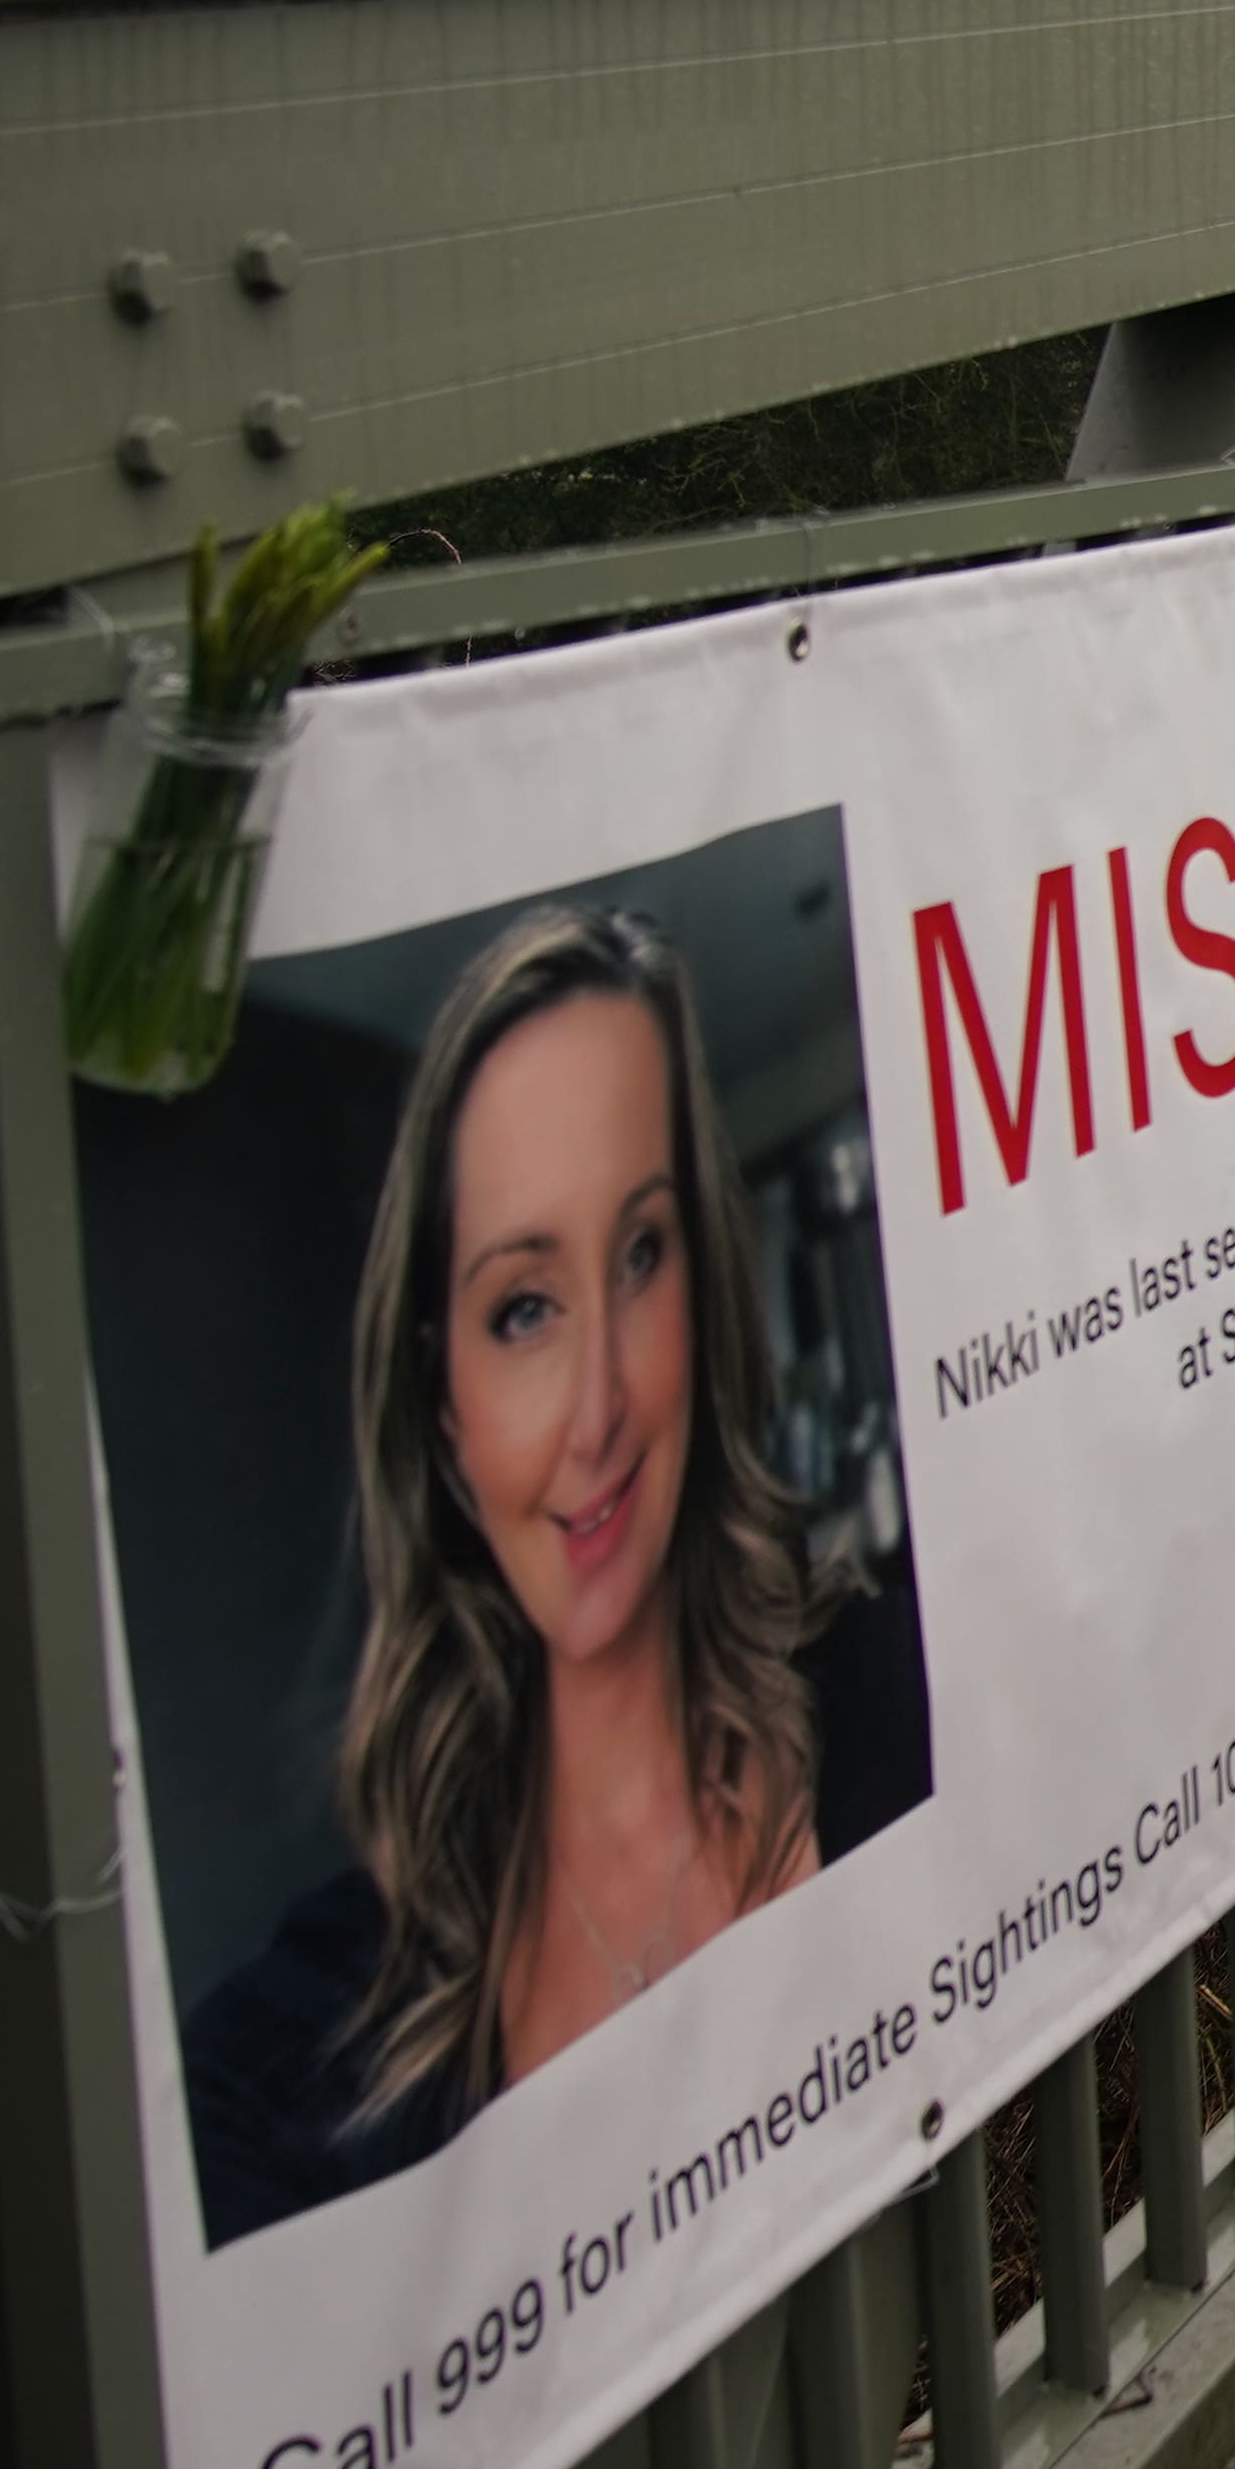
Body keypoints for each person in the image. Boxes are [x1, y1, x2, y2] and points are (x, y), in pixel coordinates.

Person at [183, 906, 857, 2235]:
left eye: (644, 1256)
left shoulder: (880, 1710)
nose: (598, 1404)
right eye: (526, 1310)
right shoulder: (276, 2078)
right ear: (444, 1414)